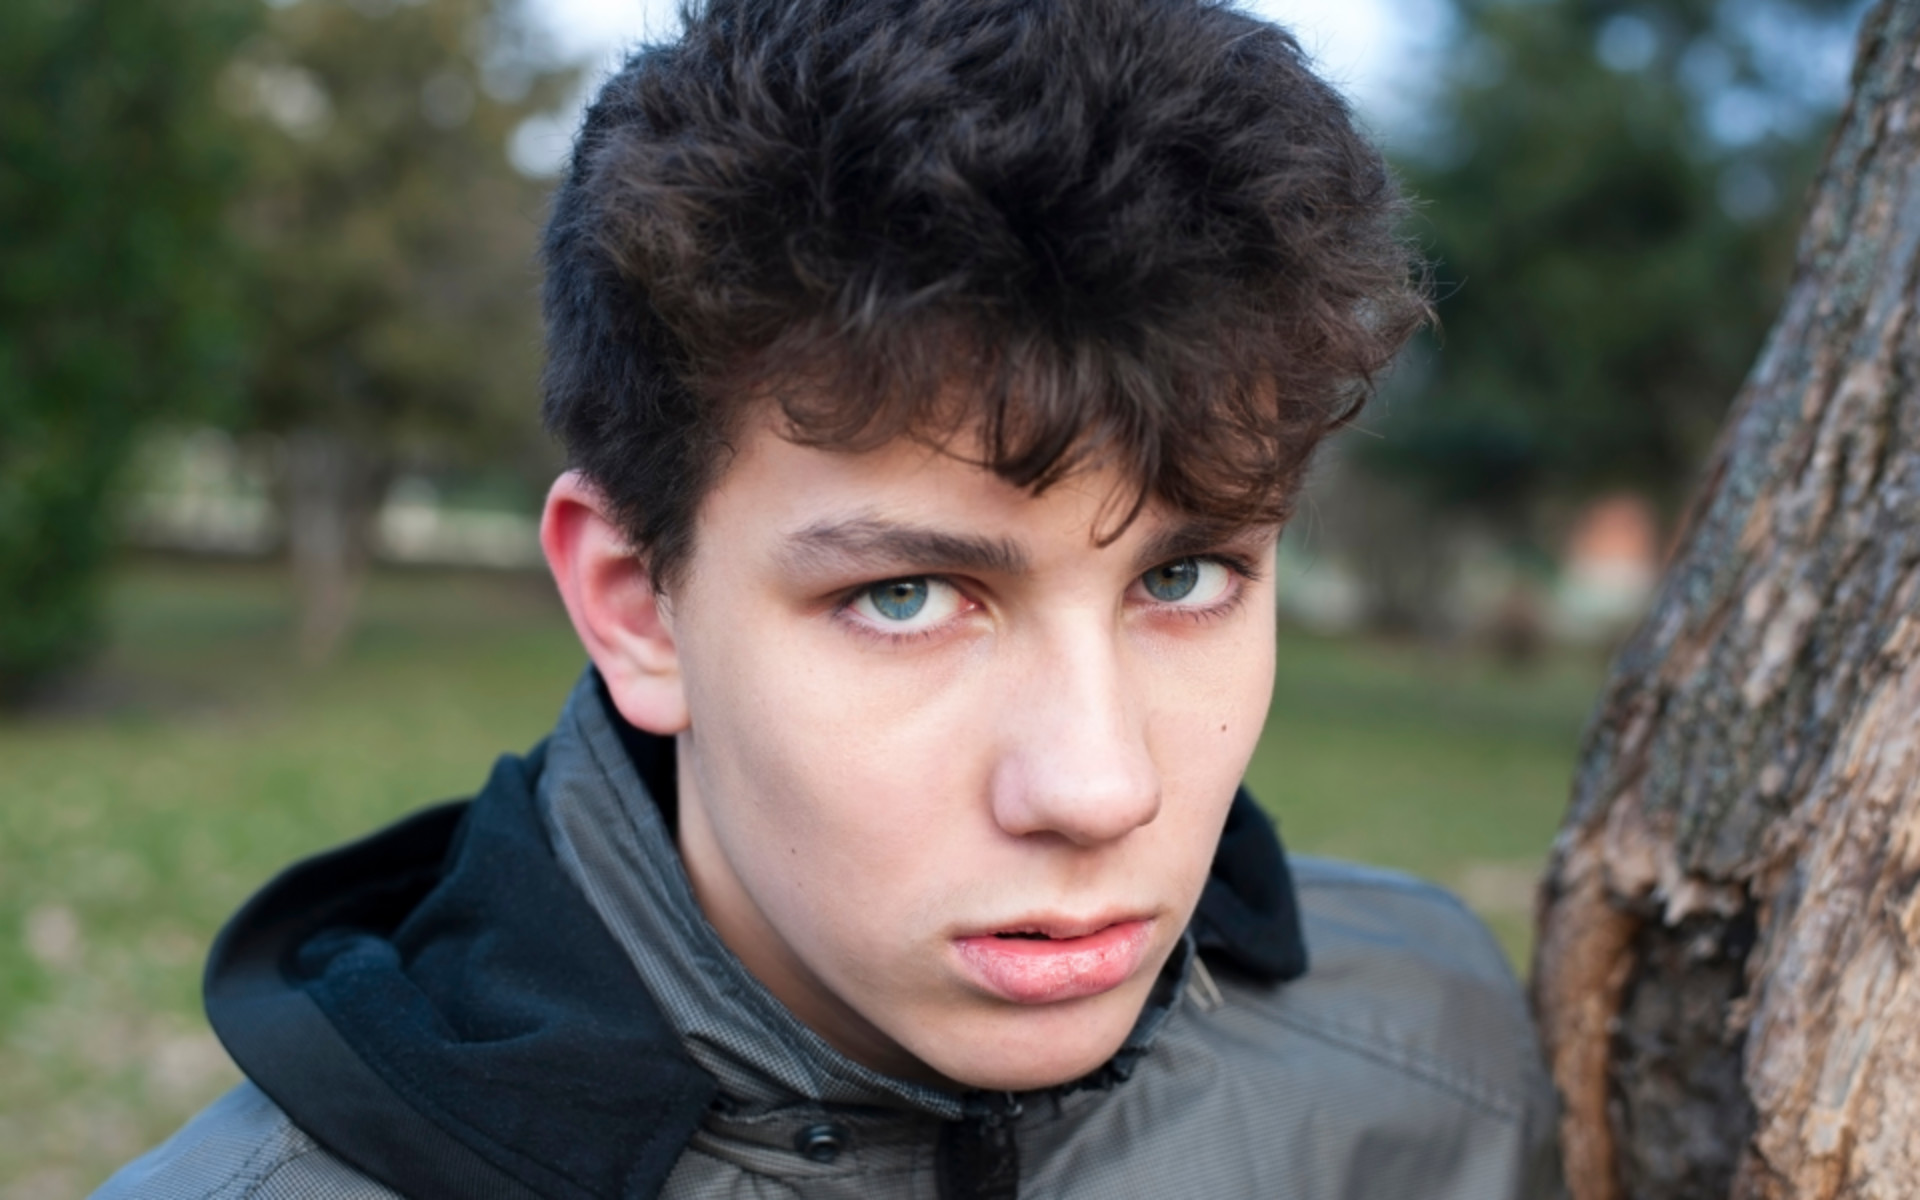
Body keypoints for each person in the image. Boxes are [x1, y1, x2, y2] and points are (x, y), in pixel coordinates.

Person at [98, 0, 1563, 1195]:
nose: (1099, 787)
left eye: (1184, 578)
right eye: (909, 596)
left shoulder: (1436, 1055)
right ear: (637, 604)